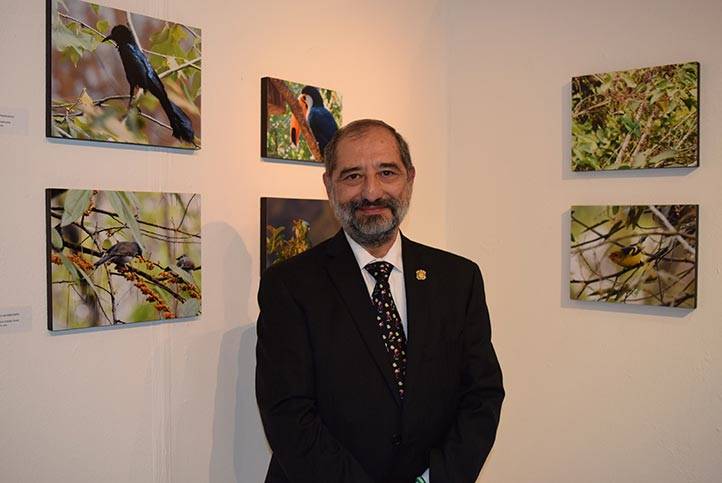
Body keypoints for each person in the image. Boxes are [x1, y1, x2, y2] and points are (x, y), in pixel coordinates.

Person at [256, 119, 504, 483]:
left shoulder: (458, 279)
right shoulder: (289, 286)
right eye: (353, 176)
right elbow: (288, 415)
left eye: (387, 172)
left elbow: (481, 396)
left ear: (410, 179)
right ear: (329, 185)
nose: (371, 192)